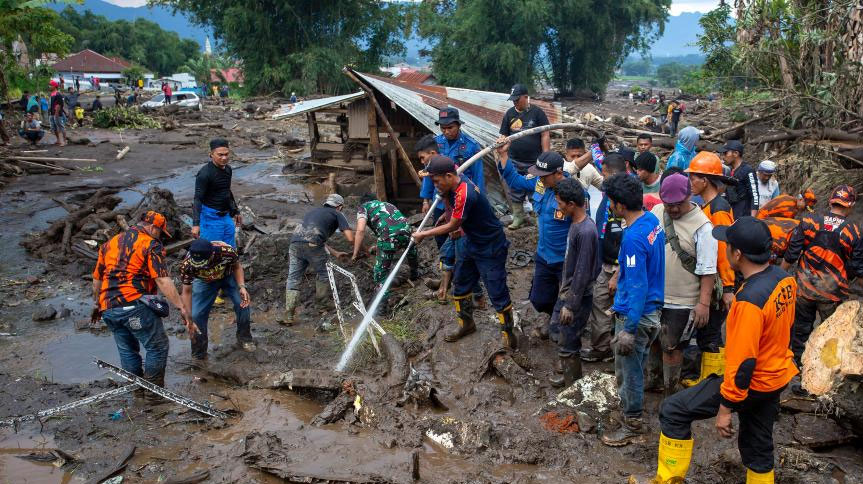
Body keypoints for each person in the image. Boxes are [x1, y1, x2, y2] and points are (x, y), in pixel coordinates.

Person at [635, 217, 797, 484]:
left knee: (673, 410)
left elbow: (743, 362)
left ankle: (667, 479)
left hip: (752, 381)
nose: (725, 250)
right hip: (776, 375)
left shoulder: (749, 302)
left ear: (738, 254)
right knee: (758, 442)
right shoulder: (784, 279)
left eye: (727, 246)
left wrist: (725, 407)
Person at [412, 155, 515, 349]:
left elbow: (454, 225)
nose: (434, 185)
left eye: (436, 181)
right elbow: (450, 209)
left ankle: (509, 334)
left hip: (489, 245)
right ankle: (467, 324)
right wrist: (447, 210)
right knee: (460, 284)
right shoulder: (450, 182)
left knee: (496, 290)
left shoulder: (465, 193)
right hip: (471, 240)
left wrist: (423, 234)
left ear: (450, 176)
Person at [92, 211, 195, 389]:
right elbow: (162, 279)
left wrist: (97, 305)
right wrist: (182, 307)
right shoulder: (150, 244)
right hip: (134, 304)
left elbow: (97, 280)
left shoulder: (110, 243)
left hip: (108, 308)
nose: (161, 236)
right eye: (160, 232)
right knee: (158, 347)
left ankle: (137, 391)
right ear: (153, 227)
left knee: (127, 350)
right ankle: (154, 394)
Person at [599, 173, 665, 447]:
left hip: (637, 314)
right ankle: (631, 411)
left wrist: (628, 328)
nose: (609, 207)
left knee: (630, 370)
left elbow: (638, 286)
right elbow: (639, 272)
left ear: (620, 205)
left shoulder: (633, 239)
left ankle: (633, 423)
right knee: (637, 363)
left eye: (611, 203)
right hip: (651, 310)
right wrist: (619, 276)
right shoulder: (651, 221)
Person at [782, 185, 863, 376]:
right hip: (831, 293)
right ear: (850, 205)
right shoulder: (853, 231)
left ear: (830, 201)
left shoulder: (809, 221)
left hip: (804, 289)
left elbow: (792, 252)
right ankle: (824, 375)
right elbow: (859, 267)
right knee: (830, 335)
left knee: (800, 331)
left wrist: (779, 275)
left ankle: (798, 371)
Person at [649, 173, 718, 397]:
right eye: (669, 205)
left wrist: (703, 303)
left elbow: (708, 269)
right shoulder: (657, 212)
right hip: (655, 294)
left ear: (689, 196)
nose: (673, 210)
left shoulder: (703, 227)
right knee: (654, 341)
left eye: (678, 205)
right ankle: (655, 379)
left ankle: (671, 392)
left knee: (673, 347)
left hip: (682, 300)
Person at [497, 144, 571, 337]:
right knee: (538, 300)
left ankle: (563, 339)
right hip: (544, 255)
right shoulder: (539, 184)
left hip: (565, 260)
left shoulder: (574, 194)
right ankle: (553, 314)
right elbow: (514, 180)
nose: (540, 178)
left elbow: (584, 229)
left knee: (564, 315)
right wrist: (503, 154)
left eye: (544, 175)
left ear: (558, 173)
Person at [416, 123, 485, 306]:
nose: (422, 162)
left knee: (464, 262)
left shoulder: (458, 182)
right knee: (446, 254)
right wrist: (444, 215)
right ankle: (443, 289)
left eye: (423, 158)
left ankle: (476, 297)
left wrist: (424, 233)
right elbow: (446, 199)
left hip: (463, 226)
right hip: (454, 220)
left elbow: (461, 205)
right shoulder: (440, 173)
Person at [684, 151, 737, 386]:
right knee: (707, 331)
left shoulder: (719, 208)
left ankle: (714, 382)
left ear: (704, 180)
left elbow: (725, 249)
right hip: (711, 278)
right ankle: (708, 378)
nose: (690, 182)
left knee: (712, 332)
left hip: (719, 281)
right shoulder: (706, 205)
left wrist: (728, 286)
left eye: (693, 177)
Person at [548, 178, 599, 387]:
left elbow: (582, 272)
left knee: (569, 340)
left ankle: (572, 386)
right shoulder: (576, 225)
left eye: (560, 203)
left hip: (577, 295)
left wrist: (570, 305)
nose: (558, 207)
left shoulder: (586, 231)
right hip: (568, 291)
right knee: (560, 333)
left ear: (571, 204)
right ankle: (570, 376)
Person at [580, 153, 628, 363]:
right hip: (604, 260)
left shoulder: (627, 198)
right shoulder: (608, 195)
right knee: (599, 303)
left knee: (621, 309)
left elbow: (631, 241)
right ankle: (601, 347)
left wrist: (619, 272)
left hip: (621, 266)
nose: (602, 177)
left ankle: (620, 353)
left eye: (604, 173)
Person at [284, 194, 355, 324]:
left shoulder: (313, 212)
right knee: (324, 273)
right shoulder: (337, 213)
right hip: (313, 244)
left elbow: (313, 237)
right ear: (339, 206)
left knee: (293, 277)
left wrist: (335, 253)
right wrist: (361, 249)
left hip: (295, 243)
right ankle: (322, 305)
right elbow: (350, 238)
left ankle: (288, 315)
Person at [180, 239, 254, 359]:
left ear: (212, 254)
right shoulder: (187, 265)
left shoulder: (226, 252)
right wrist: (188, 316)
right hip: (204, 282)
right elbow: (186, 291)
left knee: (243, 303)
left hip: (227, 277)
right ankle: (199, 353)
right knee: (197, 315)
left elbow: (237, 267)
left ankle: (244, 338)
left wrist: (242, 287)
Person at [351, 193, 419, 315]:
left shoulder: (363, 208)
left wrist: (355, 253)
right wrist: (378, 245)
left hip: (388, 238)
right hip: (407, 232)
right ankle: (415, 272)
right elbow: (392, 225)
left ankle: (381, 308)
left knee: (380, 273)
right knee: (411, 250)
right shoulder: (387, 204)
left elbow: (360, 230)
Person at [498, 83, 550, 229]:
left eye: (517, 99)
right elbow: (503, 134)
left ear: (526, 97)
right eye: (513, 99)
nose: (515, 102)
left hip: (534, 161)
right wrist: (502, 143)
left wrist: (545, 155)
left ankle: (539, 218)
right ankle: (518, 216)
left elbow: (545, 133)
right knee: (514, 188)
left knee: (536, 190)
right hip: (514, 159)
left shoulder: (537, 112)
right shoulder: (509, 114)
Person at [193, 139, 241, 247]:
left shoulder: (228, 169)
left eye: (226, 154)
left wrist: (236, 210)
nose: (224, 158)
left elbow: (226, 190)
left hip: (226, 216)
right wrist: (196, 224)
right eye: (220, 155)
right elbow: (198, 199)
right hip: (210, 218)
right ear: (211, 154)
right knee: (212, 252)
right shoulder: (205, 174)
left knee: (230, 251)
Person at [720, 140, 760, 219]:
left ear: (735, 153)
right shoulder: (729, 169)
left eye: (725, 153)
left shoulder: (748, 170)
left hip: (743, 214)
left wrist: (752, 219)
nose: (723, 156)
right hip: (731, 211)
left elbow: (755, 195)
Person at [48, 80, 67, 147]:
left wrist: (56, 113)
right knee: (54, 127)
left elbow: (59, 105)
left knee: (61, 126)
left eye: (50, 85)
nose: (49, 86)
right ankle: (58, 140)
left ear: (54, 86)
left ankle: (64, 141)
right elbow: (52, 104)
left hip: (57, 113)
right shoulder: (52, 94)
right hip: (52, 113)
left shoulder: (58, 94)